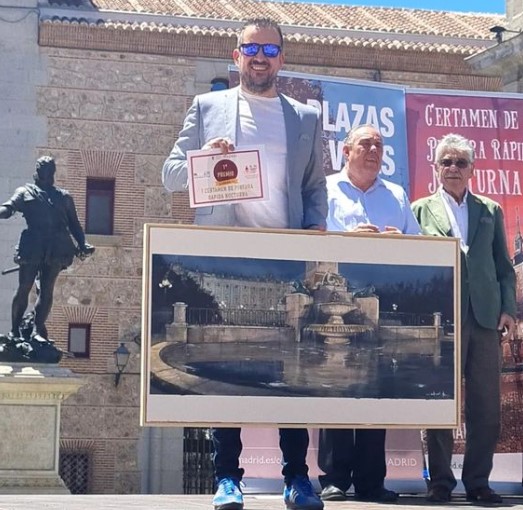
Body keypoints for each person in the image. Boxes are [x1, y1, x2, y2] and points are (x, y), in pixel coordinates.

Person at [162, 17, 327, 510]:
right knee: (227, 369)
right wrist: (203, 158)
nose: (260, 57)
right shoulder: (206, 107)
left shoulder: (305, 118)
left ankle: (297, 478)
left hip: (287, 258)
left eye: (269, 49)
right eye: (250, 48)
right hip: (224, 251)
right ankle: (226, 478)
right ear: (236, 56)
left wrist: (316, 225)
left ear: (282, 57)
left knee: (292, 373)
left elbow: (314, 188)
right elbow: (170, 176)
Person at [411, 133, 516, 504]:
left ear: (472, 169)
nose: (453, 168)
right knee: (439, 401)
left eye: (461, 162)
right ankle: (439, 482)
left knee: (486, 404)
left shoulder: (490, 210)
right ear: (436, 168)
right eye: (446, 162)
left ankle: (477, 483)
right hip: (442, 316)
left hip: (485, 317)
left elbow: (505, 268)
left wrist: (509, 309)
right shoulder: (419, 210)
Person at [318, 124, 420, 503]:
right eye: (367, 143)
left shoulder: (396, 194)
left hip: (380, 299)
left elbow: (422, 243)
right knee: (338, 386)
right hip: (336, 296)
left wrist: (402, 242)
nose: (375, 149)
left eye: (380, 144)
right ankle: (334, 478)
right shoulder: (325, 189)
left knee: (375, 387)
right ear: (347, 151)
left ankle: (372, 480)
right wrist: (347, 240)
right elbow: (307, 238)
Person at [0, 156, 93, 342]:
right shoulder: (25, 191)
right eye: (43, 168)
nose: (46, 172)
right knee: (24, 287)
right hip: (33, 244)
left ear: (53, 172)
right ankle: (14, 330)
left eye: (49, 168)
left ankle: (36, 330)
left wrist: (83, 244)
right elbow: (9, 208)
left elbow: (75, 225)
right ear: (38, 170)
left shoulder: (64, 197)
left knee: (47, 289)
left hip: (56, 246)